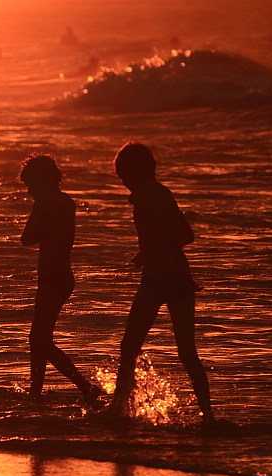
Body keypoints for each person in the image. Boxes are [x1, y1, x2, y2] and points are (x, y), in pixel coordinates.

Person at [109, 142, 215, 426]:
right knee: (172, 351)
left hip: (169, 279)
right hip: (166, 276)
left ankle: (119, 410)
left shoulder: (150, 196)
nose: (124, 183)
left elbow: (184, 234)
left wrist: (155, 248)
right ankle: (208, 416)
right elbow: (177, 236)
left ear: (135, 172)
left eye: (124, 176)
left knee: (137, 347)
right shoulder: (155, 194)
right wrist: (150, 252)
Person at [20, 154, 103, 407]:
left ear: (45, 179)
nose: (30, 192)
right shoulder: (65, 202)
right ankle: (36, 391)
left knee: (39, 339)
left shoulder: (49, 202)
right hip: (57, 276)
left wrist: (41, 217)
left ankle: (85, 386)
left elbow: (26, 238)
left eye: (31, 185)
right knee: (39, 338)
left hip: (54, 278)